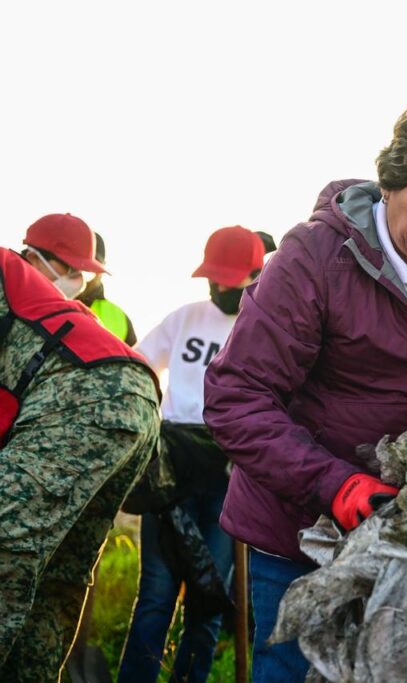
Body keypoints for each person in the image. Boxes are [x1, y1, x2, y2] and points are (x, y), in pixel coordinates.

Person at [203, 100, 407, 681]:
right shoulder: (313, 258)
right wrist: (334, 483)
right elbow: (236, 396)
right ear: (392, 181)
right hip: (298, 542)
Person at [0, 213, 160, 681]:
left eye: (82, 272)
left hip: (84, 394)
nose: (78, 280)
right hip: (132, 398)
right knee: (57, 575)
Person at [118, 226, 267, 682]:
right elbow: (135, 365)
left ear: (256, 275)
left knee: (210, 602)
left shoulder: (265, 328)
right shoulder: (184, 319)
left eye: (230, 279)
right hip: (172, 471)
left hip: (229, 477)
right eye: (214, 278)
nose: (220, 287)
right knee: (157, 596)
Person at [76, 232, 138, 345]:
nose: (83, 271)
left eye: (91, 266)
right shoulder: (41, 302)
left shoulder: (119, 319)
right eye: (79, 263)